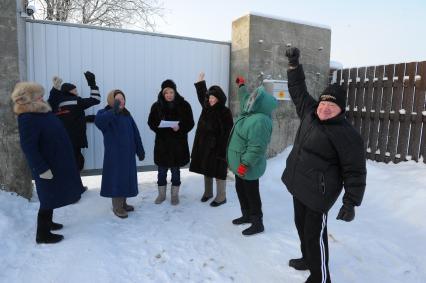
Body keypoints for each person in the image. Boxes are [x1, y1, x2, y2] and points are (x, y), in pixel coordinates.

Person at [282, 47, 367, 283]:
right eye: (323, 103)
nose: (325, 108)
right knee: (301, 227)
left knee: (315, 235)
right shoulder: (310, 112)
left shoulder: (348, 135)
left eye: (332, 106)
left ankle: (321, 277)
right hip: (299, 184)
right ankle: (307, 260)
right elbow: (298, 90)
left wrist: (350, 203)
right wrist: (293, 66)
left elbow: (355, 172)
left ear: (341, 110)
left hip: (318, 194)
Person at [11, 82, 84, 244]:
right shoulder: (27, 117)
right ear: (29, 99)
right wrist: (41, 168)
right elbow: (28, 146)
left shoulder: (40, 111)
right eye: (39, 95)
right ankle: (42, 234)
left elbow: (52, 102)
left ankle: (49, 223)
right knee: (47, 197)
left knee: (51, 195)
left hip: (55, 161)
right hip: (45, 165)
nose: (42, 98)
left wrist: (55, 90)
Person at [227, 76, 278, 236]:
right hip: (240, 164)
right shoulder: (251, 111)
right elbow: (244, 98)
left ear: (260, 104)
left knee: (251, 192)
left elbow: (256, 147)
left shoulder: (260, 120)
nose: (249, 101)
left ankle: (257, 222)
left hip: (248, 165)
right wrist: (241, 85)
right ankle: (246, 215)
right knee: (240, 188)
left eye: (253, 100)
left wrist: (245, 164)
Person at [95, 89, 145, 218]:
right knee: (117, 180)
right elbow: (99, 122)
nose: (121, 101)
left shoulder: (127, 114)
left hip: (128, 155)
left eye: (122, 98)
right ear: (111, 100)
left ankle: (123, 203)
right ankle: (117, 207)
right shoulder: (105, 113)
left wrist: (140, 150)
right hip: (115, 156)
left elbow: (135, 133)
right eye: (117, 99)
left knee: (126, 179)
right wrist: (114, 110)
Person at [189, 72, 234, 207]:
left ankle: (221, 197)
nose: (211, 100)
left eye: (214, 98)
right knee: (206, 169)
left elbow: (228, 132)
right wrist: (200, 82)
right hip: (204, 146)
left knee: (219, 172)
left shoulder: (225, 112)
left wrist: (222, 150)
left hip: (218, 147)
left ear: (219, 98)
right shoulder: (206, 107)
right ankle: (208, 193)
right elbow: (202, 94)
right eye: (210, 97)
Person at [148, 79, 194, 205]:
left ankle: (174, 195)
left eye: (171, 92)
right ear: (163, 93)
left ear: (175, 92)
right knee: (161, 172)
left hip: (177, 146)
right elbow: (151, 123)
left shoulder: (184, 105)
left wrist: (180, 128)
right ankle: (161, 195)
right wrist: (159, 126)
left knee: (175, 171)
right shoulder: (156, 106)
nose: (169, 95)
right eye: (166, 92)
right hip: (162, 146)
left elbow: (190, 123)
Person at [48, 71, 101, 172]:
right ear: (70, 91)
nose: (77, 92)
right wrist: (92, 84)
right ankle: (75, 186)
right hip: (75, 140)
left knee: (64, 163)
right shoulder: (76, 101)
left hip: (60, 139)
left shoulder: (56, 103)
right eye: (75, 90)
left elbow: (68, 117)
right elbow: (95, 99)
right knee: (77, 163)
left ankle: (67, 185)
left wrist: (55, 89)